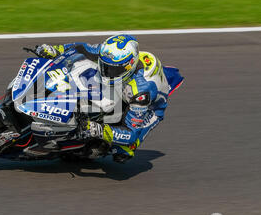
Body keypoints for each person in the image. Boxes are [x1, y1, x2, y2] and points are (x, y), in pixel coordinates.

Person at [34, 34, 171, 163]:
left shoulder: (141, 92)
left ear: (128, 67)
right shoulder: (111, 54)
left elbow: (131, 133)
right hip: (122, 85)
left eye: (112, 70)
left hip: (151, 108)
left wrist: (99, 129)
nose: (106, 72)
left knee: (123, 149)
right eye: (104, 66)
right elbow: (82, 48)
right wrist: (56, 50)